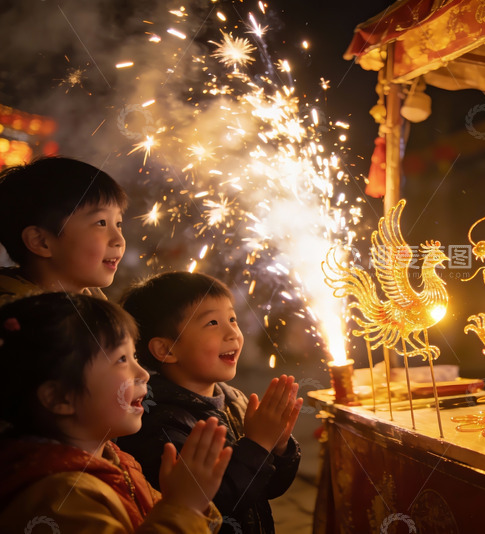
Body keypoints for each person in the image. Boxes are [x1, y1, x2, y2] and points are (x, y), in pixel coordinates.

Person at [0, 292, 231, 532]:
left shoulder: (117, 461)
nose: (143, 374)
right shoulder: (58, 497)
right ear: (59, 397)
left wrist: (192, 503)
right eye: (121, 359)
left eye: (134, 356)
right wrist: (185, 507)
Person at [116, 271, 302, 534]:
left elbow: (268, 488)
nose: (233, 333)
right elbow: (216, 506)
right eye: (213, 323)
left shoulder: (234, 399)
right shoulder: (158, 421)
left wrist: (279, 446)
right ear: (167, 350)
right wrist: (258, 445)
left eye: (232, 319)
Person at [0, 157, 126, 305]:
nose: (119, 240)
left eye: (118, 223)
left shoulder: (94, 307)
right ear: (41, 242)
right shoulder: (22, 320)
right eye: (101, 223)